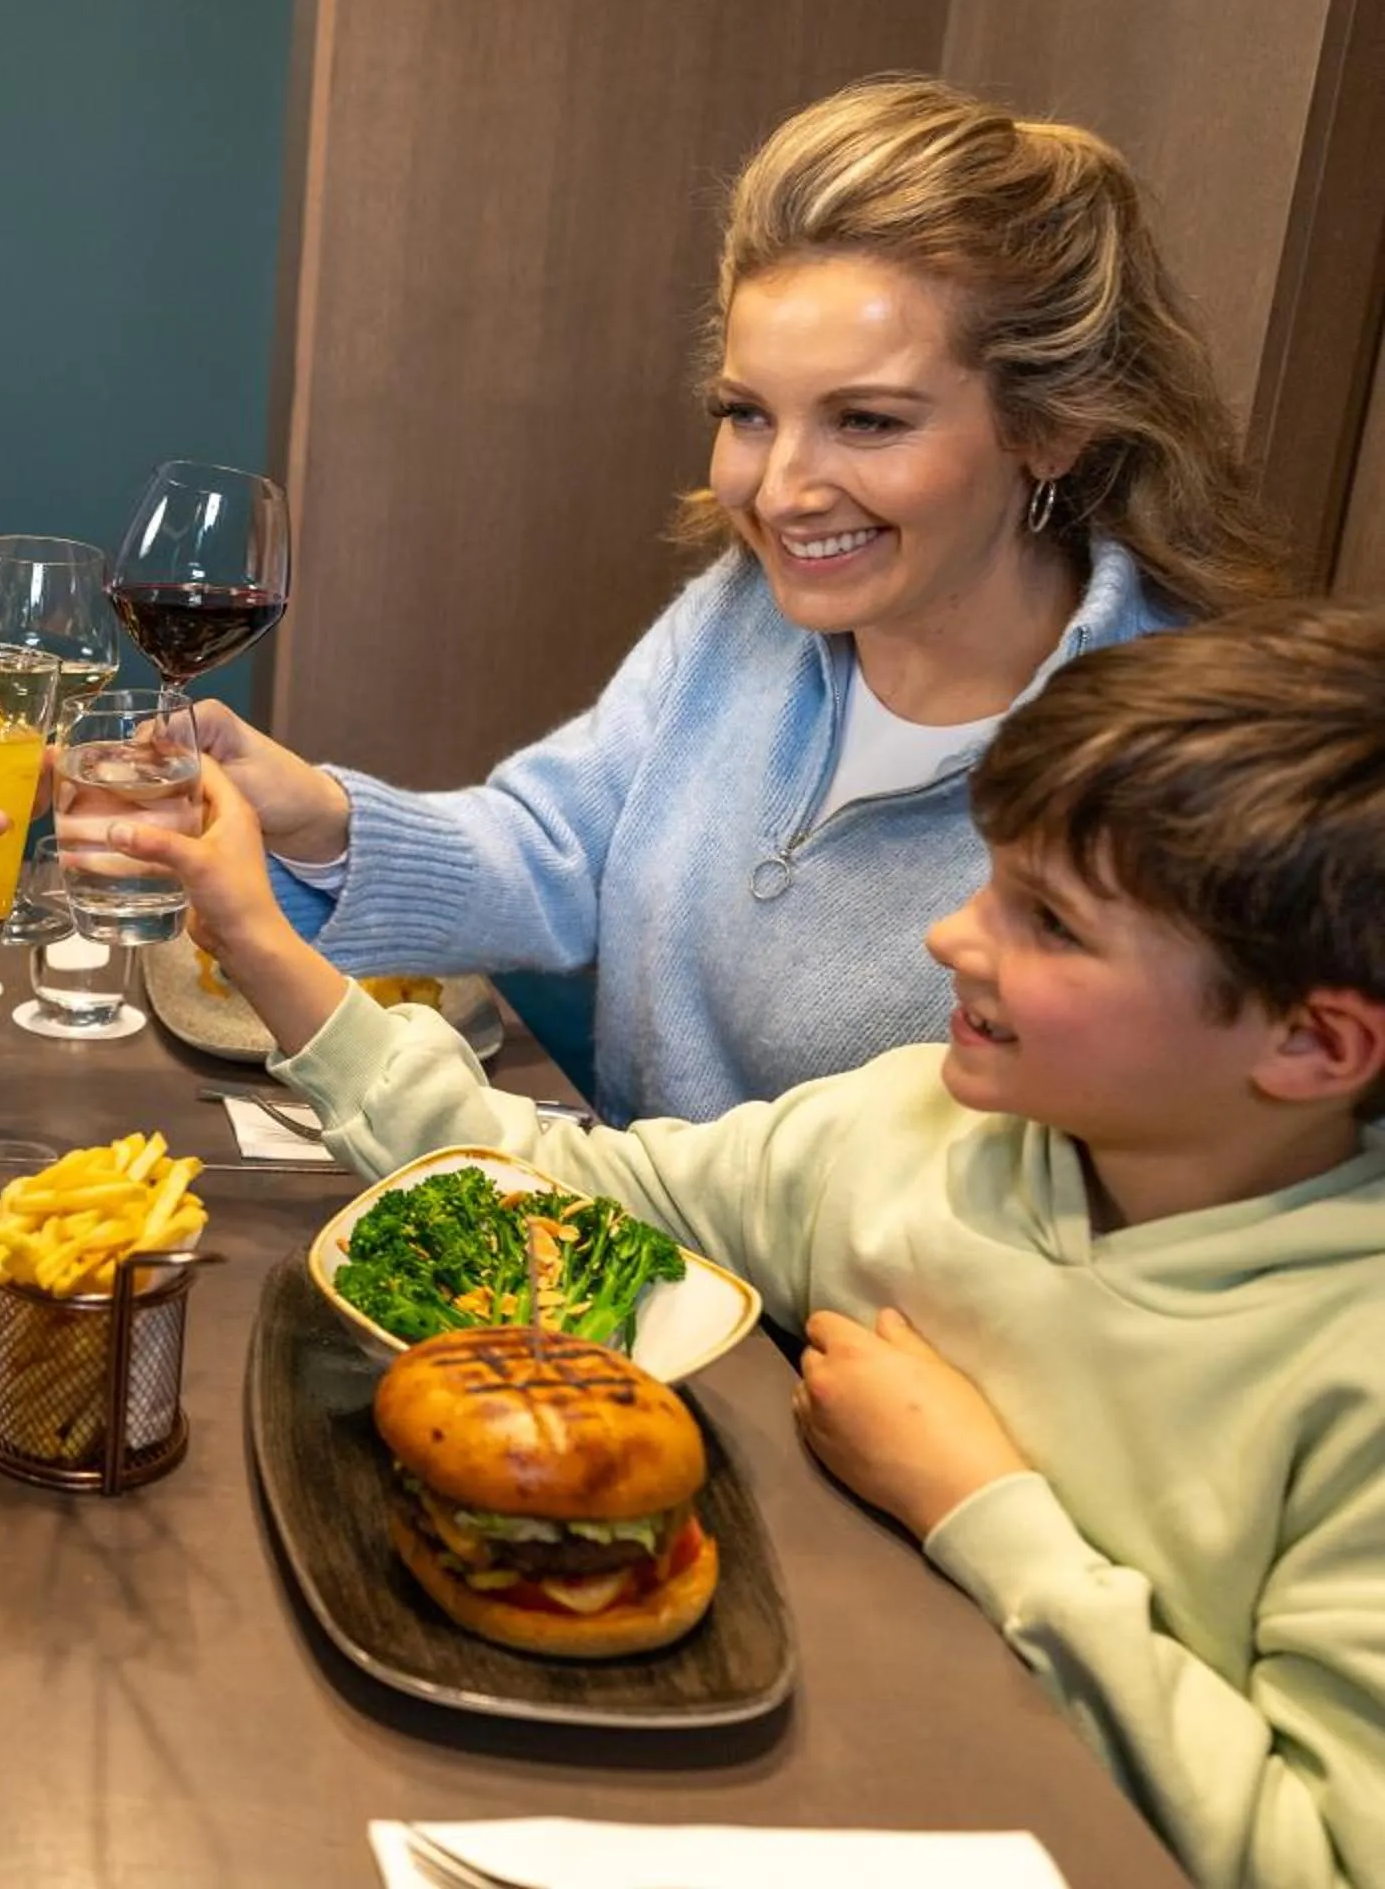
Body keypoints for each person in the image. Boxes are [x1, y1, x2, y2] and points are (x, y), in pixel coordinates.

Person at [126, 602, 1385, 1888]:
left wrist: (976, 1503)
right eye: (989, 882)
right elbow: (559, 1199)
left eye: (1050, 923)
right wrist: (266, 947)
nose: (952, 937)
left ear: (1314, 1043)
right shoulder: (905, 1122)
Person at [196, 74, 1285, 1124]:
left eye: (868, 420)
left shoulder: (1172, 765)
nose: (779, 492)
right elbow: (555, 851)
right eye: (749, 412)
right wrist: (308, 813)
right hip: (620, 1257)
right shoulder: (746, 609)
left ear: (1052, 426)